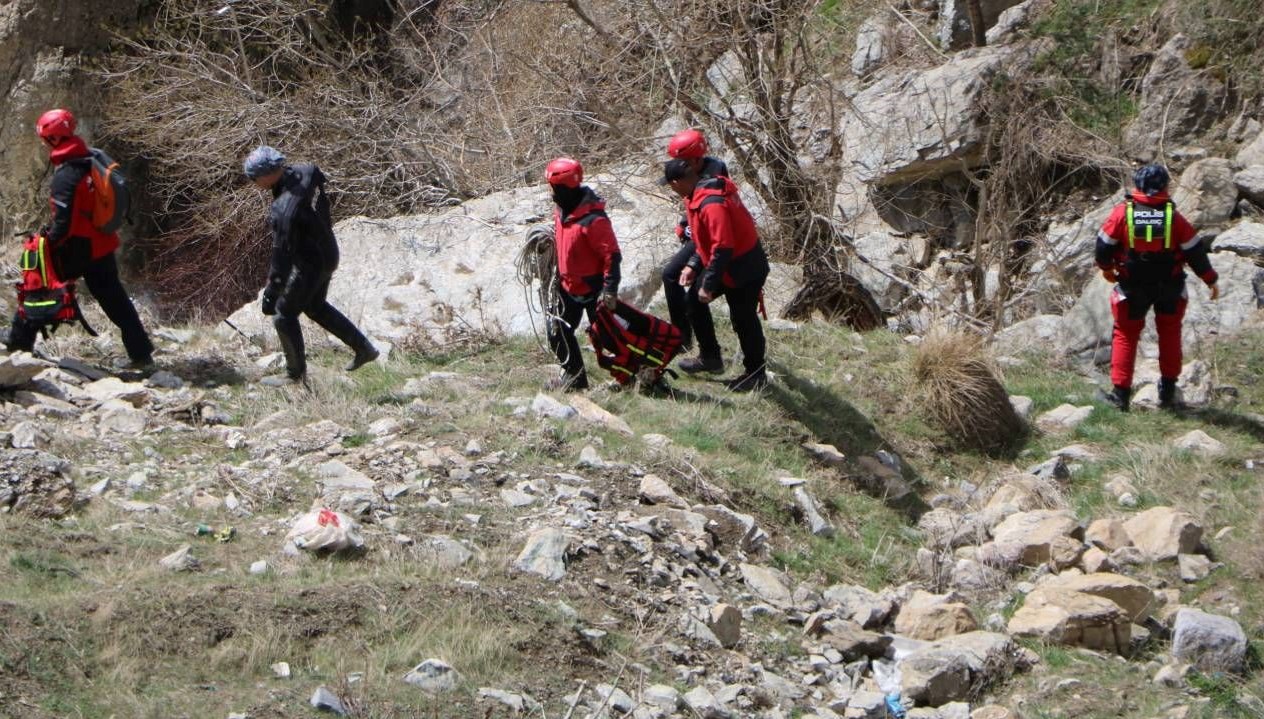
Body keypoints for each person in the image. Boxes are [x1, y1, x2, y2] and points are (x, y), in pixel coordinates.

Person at [5, 108, 155, 368]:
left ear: (51, 140)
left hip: (78, 247)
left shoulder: (66, 174)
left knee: (36, 284)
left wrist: (44, 244)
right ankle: (141, 353)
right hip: (101, 243)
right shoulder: (88, 158)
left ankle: (18, 346)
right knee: (115, 299)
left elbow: (63, 224)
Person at [243, 145, 378, 386]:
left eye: (254, 177)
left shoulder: (283, 209)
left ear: (267, 174)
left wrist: (272, 292)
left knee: (283, 315)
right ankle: (364, 349)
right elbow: (316, 174)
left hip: (311, 262)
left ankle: (295, 375)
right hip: (328, 251)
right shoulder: (302, 173)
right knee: (314, 305)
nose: (253, 182)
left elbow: (281, 257)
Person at [1096, 163, 1218, 412]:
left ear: (1137, 186)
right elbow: (1195, 252)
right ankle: (1168, 390)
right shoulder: (1174, 217)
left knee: (1125, 335)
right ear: (1165, 187)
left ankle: (1120, 396)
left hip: (1131, 287)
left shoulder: (1122, 213)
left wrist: (1106, 268)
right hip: (1170, 286)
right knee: (1170, 334)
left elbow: (1103, 247)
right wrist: (1210, 279)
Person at [662, 158, 770, 392]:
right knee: (693, 301)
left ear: (677, 182)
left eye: (670, 185)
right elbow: (705, 239)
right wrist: (692, 265)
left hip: (744, 268)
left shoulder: (711, 203)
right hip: (729, 264)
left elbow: (722, 246)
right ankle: (710, 357)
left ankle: (756, 373)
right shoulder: (698, 194)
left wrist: (708, 284)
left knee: (744, 319)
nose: (671, 190)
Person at [544, 156, 621, 391]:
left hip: (594, 287)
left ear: (565, 187)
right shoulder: (562, 210)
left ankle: (634, 374)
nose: (552, 193)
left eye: (554, 188)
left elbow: (612, 256)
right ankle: (575, 378)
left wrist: (609, 289)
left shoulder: (593, 219)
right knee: (557, 331)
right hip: (568, 285)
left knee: (608, 337)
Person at [661, 128, 729, 372]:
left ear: (696, 159)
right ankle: (682, 337)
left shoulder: (713, 174)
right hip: (699, 234)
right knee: (670, 275)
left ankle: (702, 349)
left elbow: (709, 214)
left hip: (710, 238)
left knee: (688, 290)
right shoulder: (693, 171)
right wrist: (684, 224)